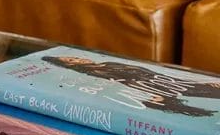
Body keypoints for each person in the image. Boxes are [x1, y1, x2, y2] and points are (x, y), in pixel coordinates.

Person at [42, 55, 220, 118]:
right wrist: (151, 94)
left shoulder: (108, 63)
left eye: (74, 57)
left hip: (172, 82)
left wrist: (202, 82)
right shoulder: (94, 72)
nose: (78, 59)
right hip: (158, 88)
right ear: (70, 65)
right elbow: (123, 83)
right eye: (71, 60)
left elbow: (153, 72)